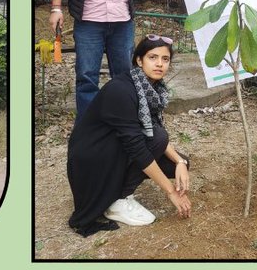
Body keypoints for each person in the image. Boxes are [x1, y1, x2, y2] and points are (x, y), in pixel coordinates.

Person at [67, 36, 191, 235]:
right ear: (139, 61)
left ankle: (117, 191)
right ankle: (117, 200)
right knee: (157, 138)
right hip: (91, 158)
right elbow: (138, 146)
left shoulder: (151, 88)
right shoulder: (122, 90)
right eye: (152, 57)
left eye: (165, 59)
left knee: (174, 156)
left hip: (111, 147)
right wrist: (171, 192)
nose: (159, 64)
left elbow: (149, 128)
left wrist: (180, 162)